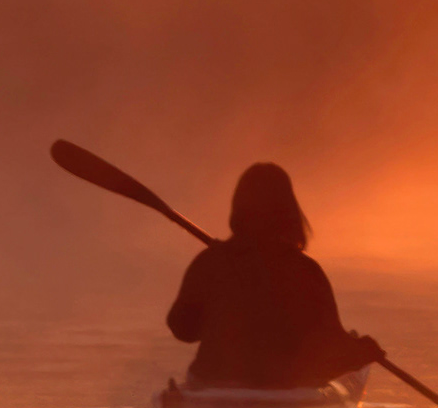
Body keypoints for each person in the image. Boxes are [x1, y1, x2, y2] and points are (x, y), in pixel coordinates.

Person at [164, 162, 386, 389]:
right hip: (284, 387)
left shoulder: (210, 261)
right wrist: (363, 351)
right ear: (288, 213)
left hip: (212, 383)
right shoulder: (305, 271)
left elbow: (183, 330)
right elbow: (328, 347)